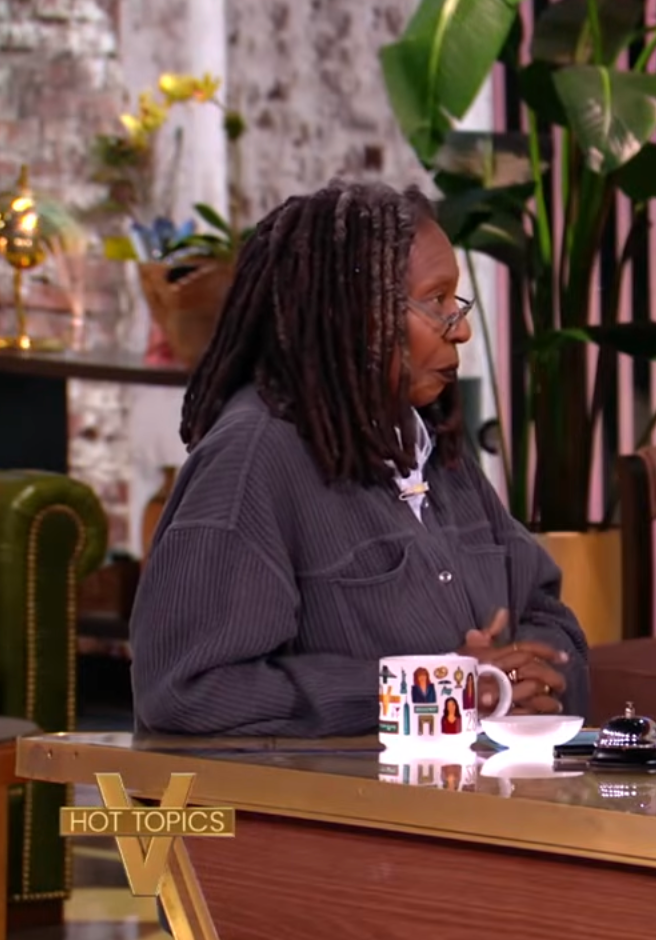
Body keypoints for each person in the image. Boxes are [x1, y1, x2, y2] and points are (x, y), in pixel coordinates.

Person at [129, 181, 589, 737]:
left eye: (457, 302)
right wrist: (431, 691)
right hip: (332, 794)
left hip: (474, 784)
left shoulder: (432, 447)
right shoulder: (252, 461)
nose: (462, 328)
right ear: (354, 312)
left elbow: (544, 613)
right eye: (437, 301)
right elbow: (185, 690)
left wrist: (526, 678)